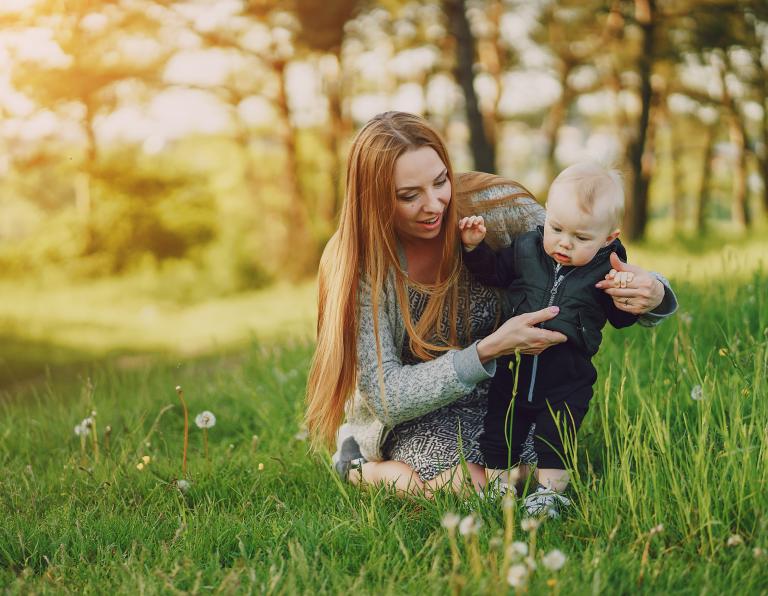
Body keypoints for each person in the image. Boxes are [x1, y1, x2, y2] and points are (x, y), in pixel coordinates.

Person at [304, 111, 677, 497]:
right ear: (373, 200)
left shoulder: (496, 209)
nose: (435, 204)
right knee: (472, 487)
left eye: (440, 181)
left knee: (535, 474)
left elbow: (586, 240)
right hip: (415, 415)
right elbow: (388, 397)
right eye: (409, 196)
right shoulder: (360, 266)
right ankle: (360, 467)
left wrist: (656, 293)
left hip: (506, 393)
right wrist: (489, 350)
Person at [459, 162, 645, 515]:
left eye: (581, 237)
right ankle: (500, 488)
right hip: (513, 368)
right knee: (499, 429)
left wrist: (626, 298)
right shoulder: (528, 247)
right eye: (557, 228)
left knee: (555, 436)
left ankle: (550, 494)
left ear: (608, 237)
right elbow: (494, 273)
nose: (564, 242)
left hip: (567, 375)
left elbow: (621, 319)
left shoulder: (609, 267)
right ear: (547, 216)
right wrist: (474, 249)